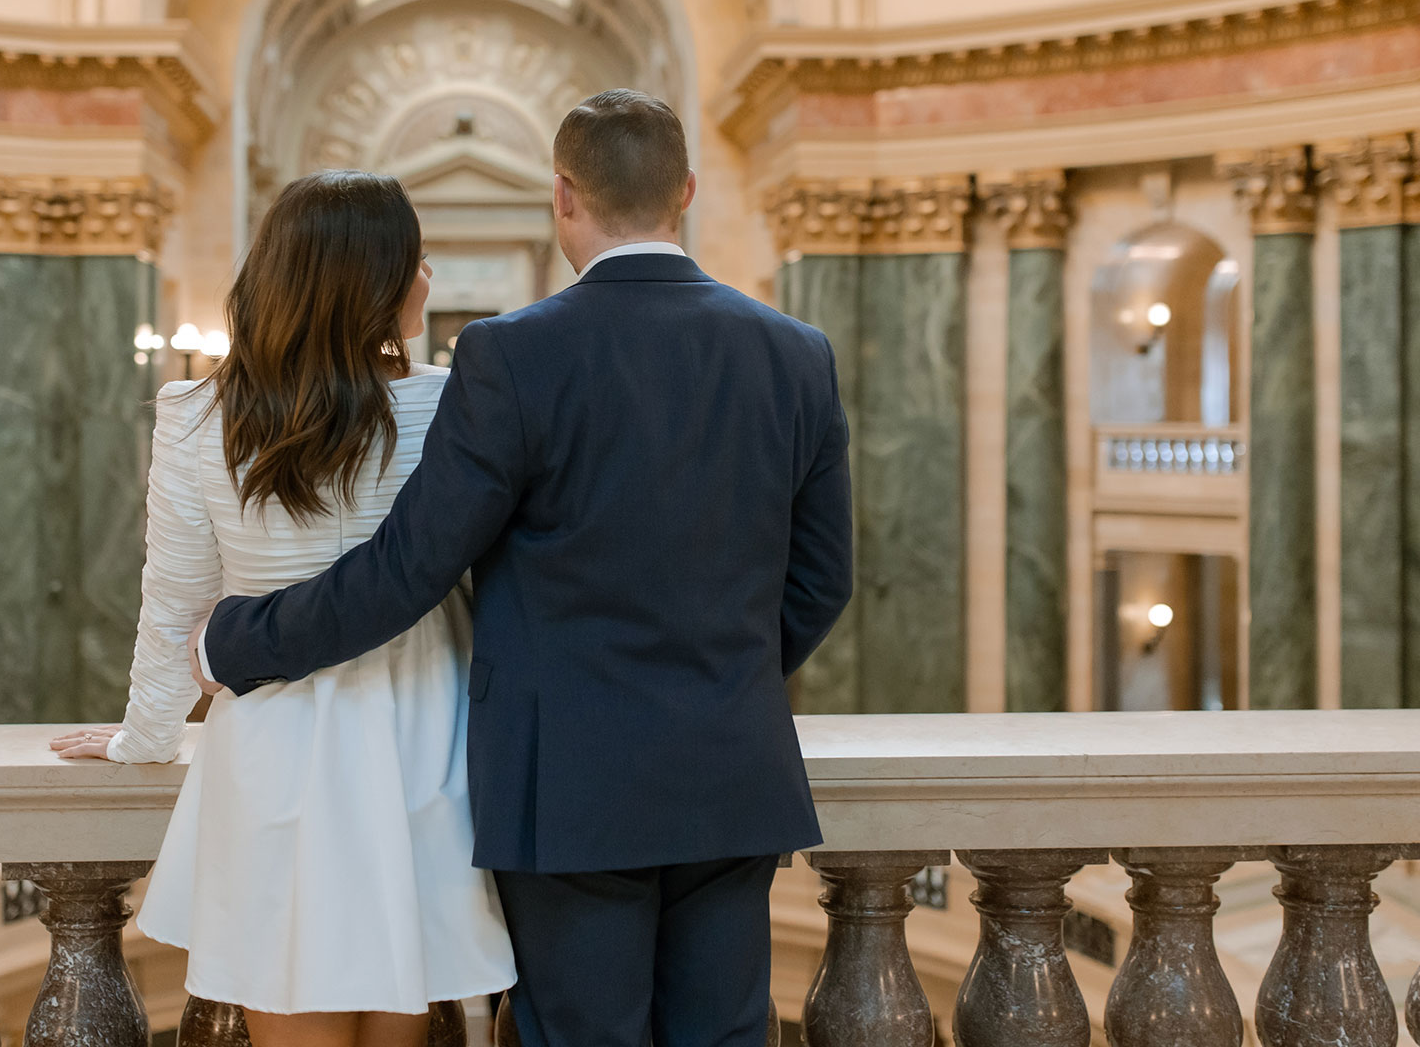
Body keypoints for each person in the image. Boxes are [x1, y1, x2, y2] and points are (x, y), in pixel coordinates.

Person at [193, 90, 853, 1047]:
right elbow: (823, 577)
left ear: (563, 196)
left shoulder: (510, 355)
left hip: (567, 785)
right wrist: (722, 674)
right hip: (730, 768)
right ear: (688, 193)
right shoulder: (798, 354)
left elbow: (408, 571)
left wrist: (235, 637)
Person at [51, 170, 516, 1047]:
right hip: (423, 735)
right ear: (370, 282)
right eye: (415, 261)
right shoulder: (451, 404)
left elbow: (174, 603)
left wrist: (142, 737)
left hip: (273, 738)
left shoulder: (199, 413)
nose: (429, 277)